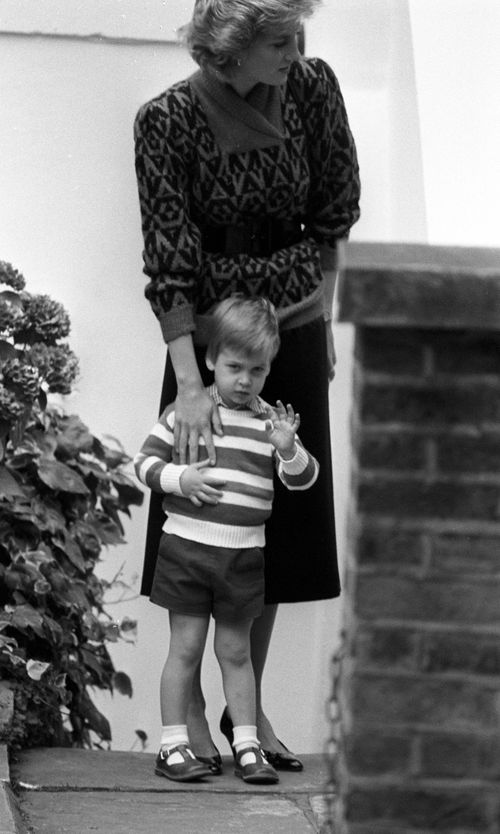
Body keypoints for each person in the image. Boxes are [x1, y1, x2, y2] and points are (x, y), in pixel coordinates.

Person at [133, 0, 360, 770]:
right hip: (214, 346)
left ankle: (247, 713)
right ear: (229, 50)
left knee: (273, 532)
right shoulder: (166, 119)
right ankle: (192, 709)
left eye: (299, 36)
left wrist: (321, 316)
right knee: (201, 516)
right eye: (279, 41)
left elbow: (334, 206)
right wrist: (189, 385)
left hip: (289, 329)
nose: (296, 51)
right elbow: (166, 255)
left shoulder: (312, 86)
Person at [134, 296, 319, 783]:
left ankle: (248, 744)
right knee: (187, 647)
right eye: (234, 367)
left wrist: (288, 449)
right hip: (187, 551)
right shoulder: (187, 412)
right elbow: (143, 464)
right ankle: (172, 745)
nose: (244, 380)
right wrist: (180, 480)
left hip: (243, 555)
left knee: (237, 652)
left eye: (257, 371)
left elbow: (303, 481)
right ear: (211, 359)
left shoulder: (269, 424)